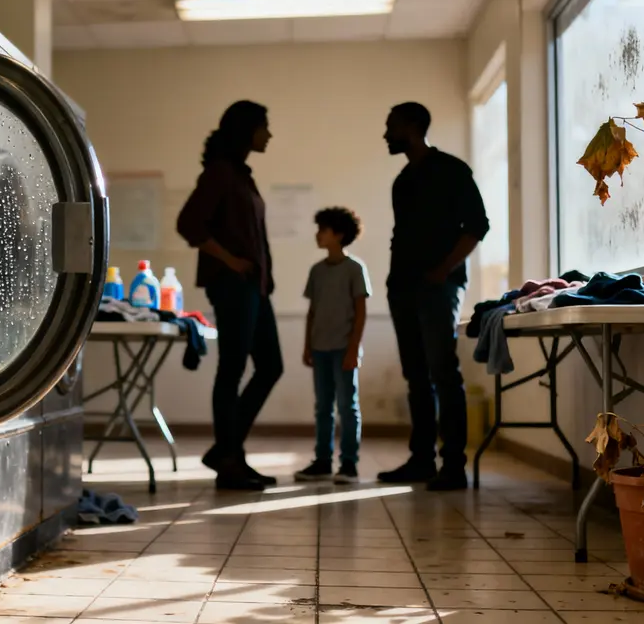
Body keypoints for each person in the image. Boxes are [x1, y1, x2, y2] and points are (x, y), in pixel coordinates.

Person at [378, 102, 490, 492]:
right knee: (416, 376)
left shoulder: (452, 171)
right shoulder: (402, 181)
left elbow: (477, 225)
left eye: (390, 126)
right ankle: (422, 460)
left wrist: (444, 270)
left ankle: (453, 466)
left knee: (443, 373)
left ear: (411, 126)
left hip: (438, 287)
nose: (385, 134)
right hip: (403, 288)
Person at [177, 100, 282, 491]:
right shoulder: (220, 173)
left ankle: (227, 450)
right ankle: (230, 459)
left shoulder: (241, 173)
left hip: (255, 288)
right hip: (233, 285)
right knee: (233, 370)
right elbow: (188, 223)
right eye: (264, 126)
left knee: (270, 366)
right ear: (247, 129)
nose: (269, 134)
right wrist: (231, 260)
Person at [295, 208, 370, 484]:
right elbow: (312, 312)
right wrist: (307, 346)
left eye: (323, 230)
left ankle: (348, 464)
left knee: (347, 405)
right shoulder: (316, 271)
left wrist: (353, 349)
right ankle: (322, 461)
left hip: (343, 348)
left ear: (339, 235)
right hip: (320, 348)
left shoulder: (355, 269)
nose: (317, 234)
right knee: (322, 406)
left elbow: (360, 312)